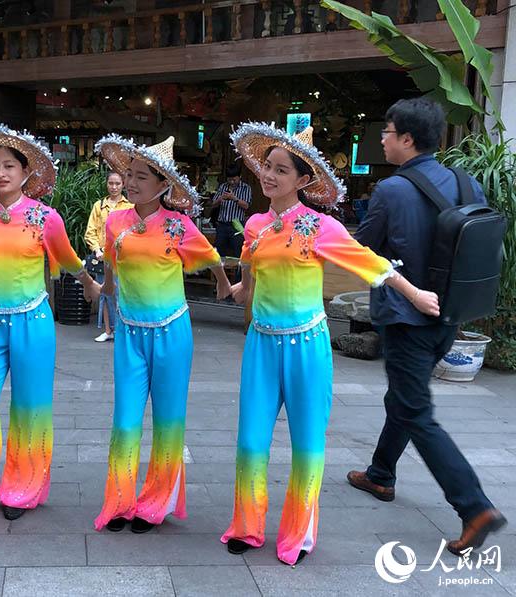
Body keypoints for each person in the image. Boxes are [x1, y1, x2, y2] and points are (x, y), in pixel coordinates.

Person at [222, 123, 440, 565]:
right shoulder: (256, 224)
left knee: (307, 442)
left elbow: (371, 264)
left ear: (303, 181)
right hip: (261, 346)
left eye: (281, 170)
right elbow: (250, 266)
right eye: (267, 166)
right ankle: (246, 525)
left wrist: (415, 294)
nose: (269, 175)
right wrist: (242, 290)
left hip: (307, 348)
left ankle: (297, 535)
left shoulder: (320, 227)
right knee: (250, 439)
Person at [347, 97, 506, 555]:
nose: (382, 139)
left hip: (407, 319)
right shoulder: (466, 181)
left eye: (387, 132)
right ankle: (380, 474)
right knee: (405, 397)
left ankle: (473, 506)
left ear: (407, 140)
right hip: (450, 316)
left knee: (415, 410)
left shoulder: (391, 191)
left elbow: (364, 255)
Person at [0, 121, 99, 522]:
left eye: (9, 166)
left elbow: (66, 260)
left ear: (26, 171)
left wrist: (89, 284)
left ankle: (21, 490)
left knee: (31, 408)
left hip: (33, 323)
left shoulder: (46, 218)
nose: (1, 173)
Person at [93, 134, 231, 533]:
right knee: (126, 419)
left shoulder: (178, 225)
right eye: (129, 175)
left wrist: (223, 283)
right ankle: (118, 501)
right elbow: (112, 263)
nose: (131, 183)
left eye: (141, 177)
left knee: (169, 420)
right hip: (129, 335)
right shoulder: (116, 220)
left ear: (163, 185)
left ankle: (156, 503)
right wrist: (106, 287)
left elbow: (212, 257)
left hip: (172, 333)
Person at [84, 171, 132, 342]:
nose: (114, 187)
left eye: (117, 184)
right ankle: (107, 330)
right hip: (102, 257)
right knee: (105, 293)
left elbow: (133, 231)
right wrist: (97, 249)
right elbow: (90, 231)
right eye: (111, 183)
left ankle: (121, 330)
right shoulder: (99, 205)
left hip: (122, 258)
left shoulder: (130, 206)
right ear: (107, 184)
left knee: (122, 294)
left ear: (123, 185)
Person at [211, 163, 251, 258]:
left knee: (239, 252)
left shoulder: (246, 188)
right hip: (222, 225)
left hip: (237, 226)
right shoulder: (223, 187)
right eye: (229, 179)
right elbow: (213, 204)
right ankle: (219, 272)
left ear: (239, 177)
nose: (232, 182)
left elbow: (246, 206)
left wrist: (234, 198)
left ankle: (238, 273)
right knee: (218, 253)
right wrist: (220, 199)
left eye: (234, 179)